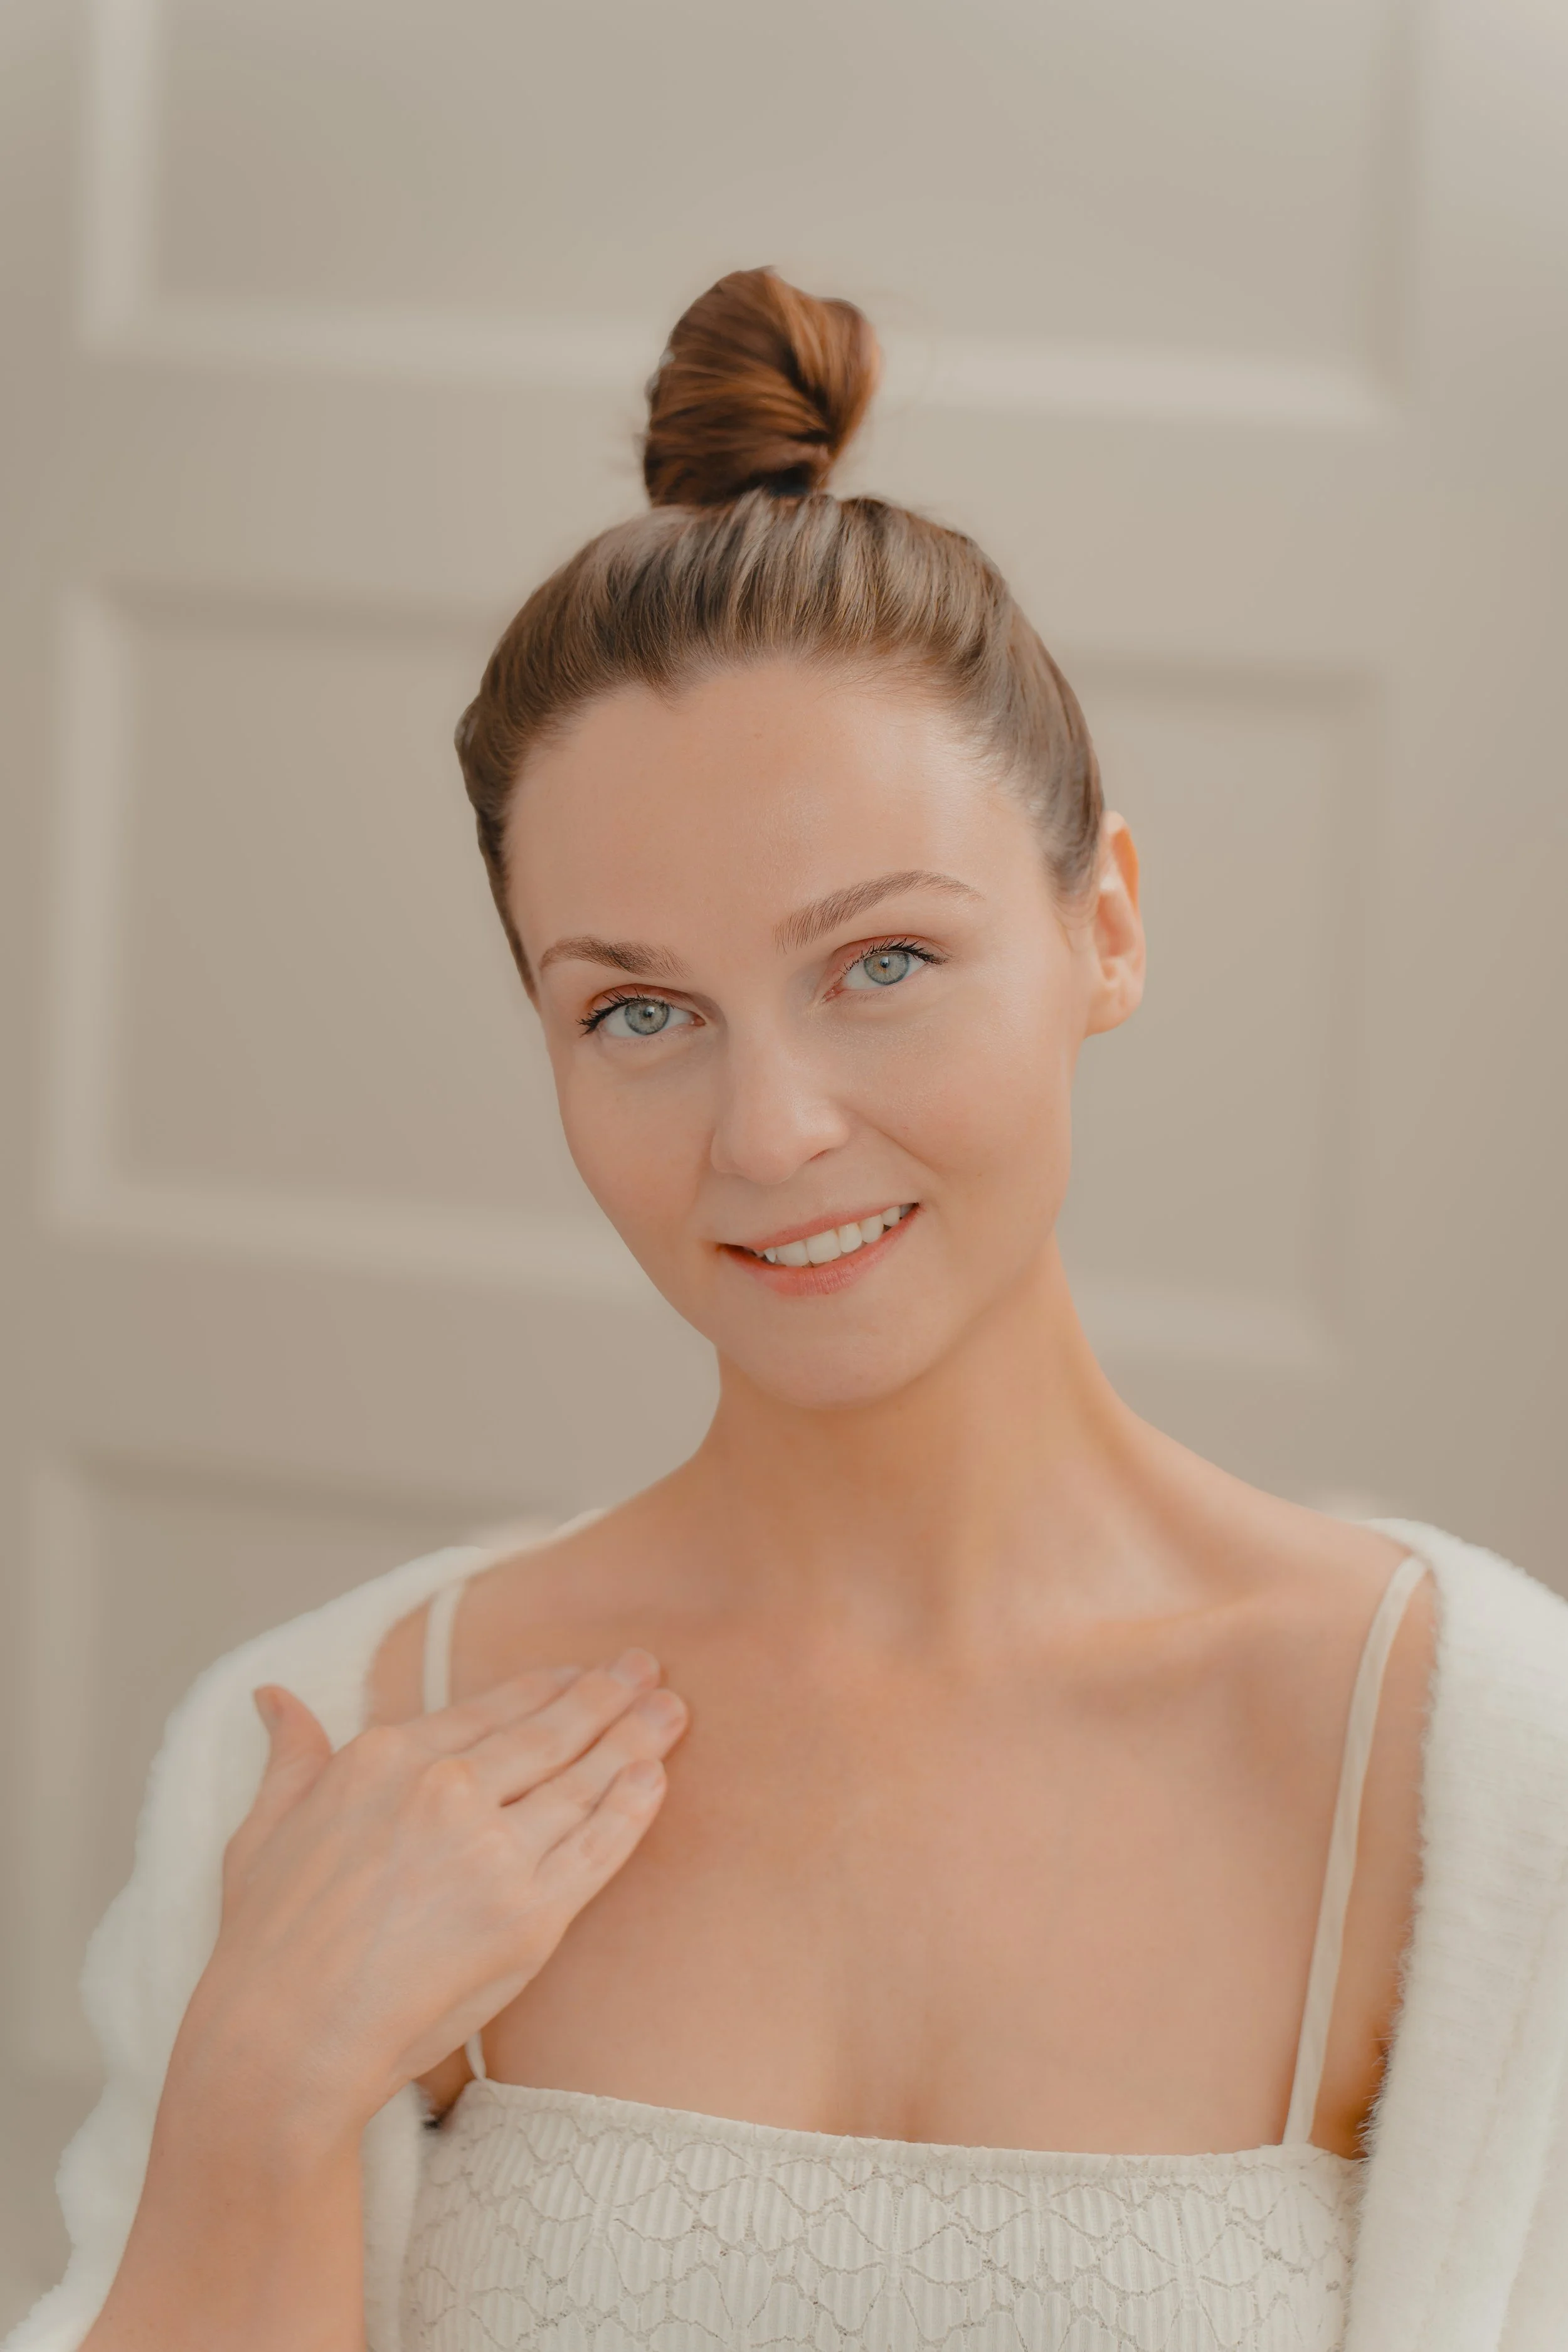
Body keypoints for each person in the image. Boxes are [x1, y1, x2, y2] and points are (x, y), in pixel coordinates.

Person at [12, 270, 1568, 2352]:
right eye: (637, 1008)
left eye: (881, 962)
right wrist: (257, 2090)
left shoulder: (1473, 1768)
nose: (767, 1130)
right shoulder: (335, 1751)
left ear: (1101, 923)